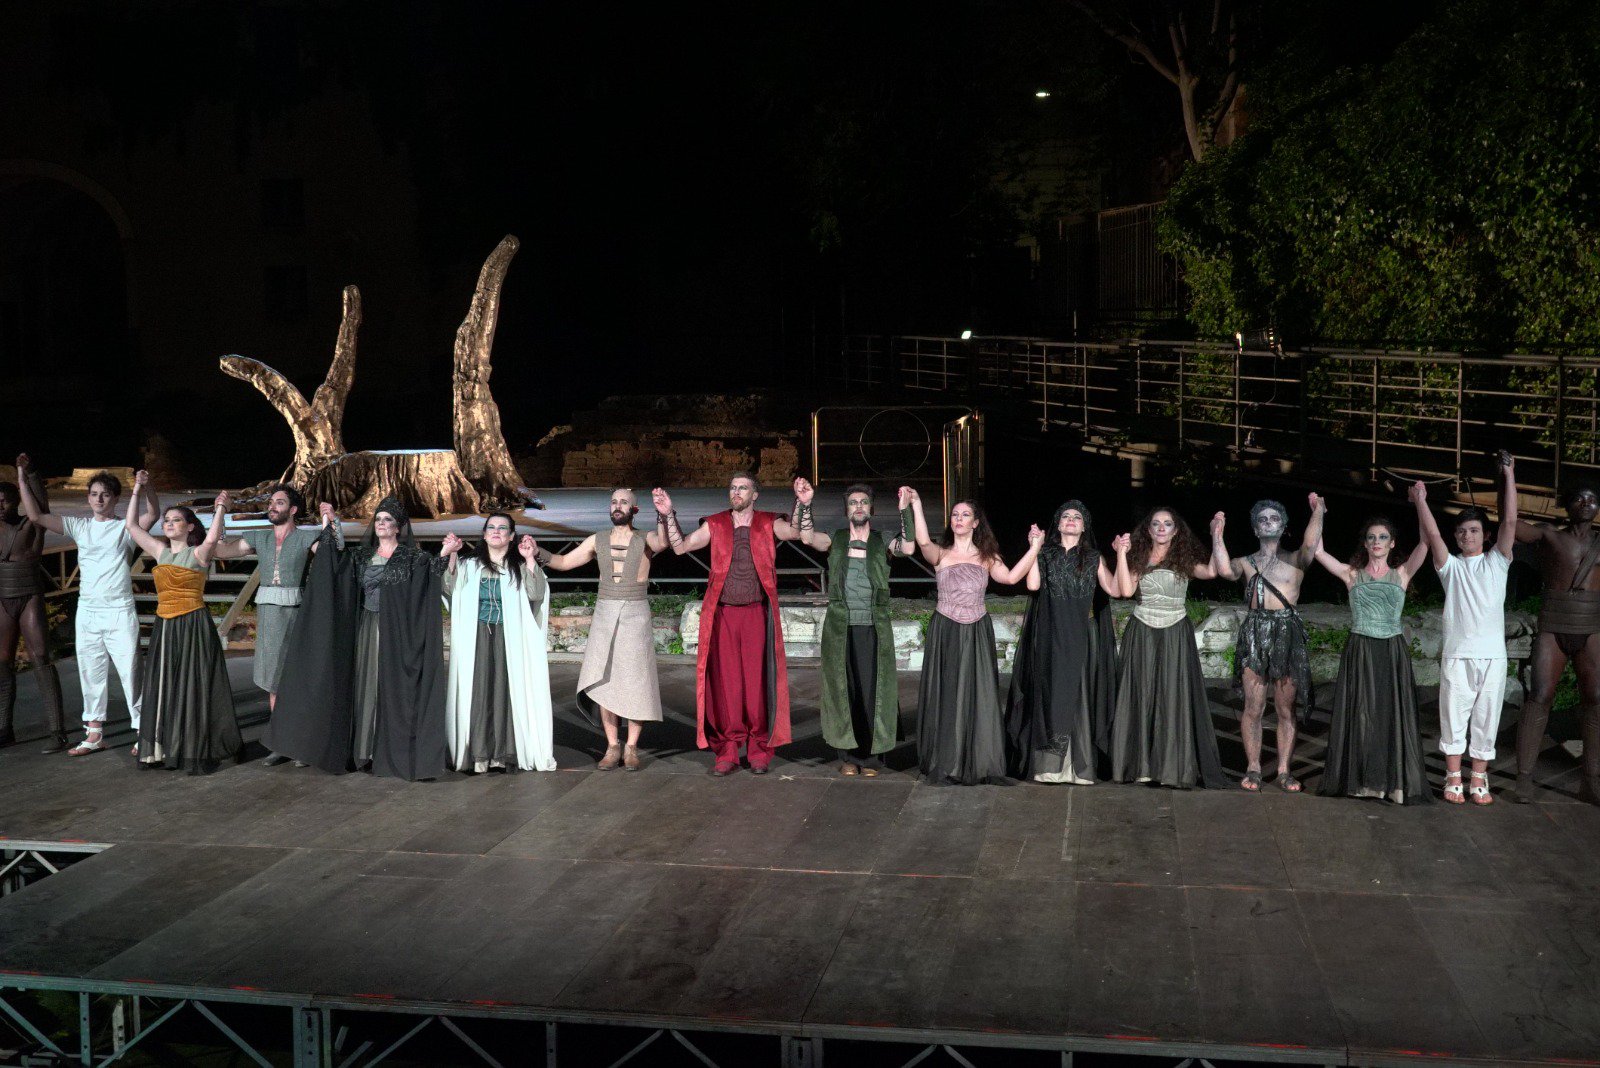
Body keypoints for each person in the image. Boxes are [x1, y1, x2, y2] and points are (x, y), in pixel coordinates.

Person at [265, 496, 449, 780]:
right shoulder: (362, 557)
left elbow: (429, 580)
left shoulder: (413, 558)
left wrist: (446, 553)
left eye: (388, 520)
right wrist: (330, 523)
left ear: (398, 527)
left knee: (390, 687)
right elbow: (335, 562)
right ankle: (364, 750)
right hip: (365, 628)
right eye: (378, 519)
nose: (381, 524)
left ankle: (391, 750)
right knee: (365, 685)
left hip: (396, 634)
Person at [652, 474, 803, 776]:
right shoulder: (716, 523)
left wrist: (802, 502)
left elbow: (796, 533)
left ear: (754, 494)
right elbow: (681, 547)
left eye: (742, 488)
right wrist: (668, 514)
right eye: (733, 488)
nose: (736, 492)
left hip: (756, 614)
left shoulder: (768, 522)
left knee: (757, 686)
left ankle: (759, 748)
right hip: (724, 615)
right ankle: (728, 750)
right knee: (728, 685)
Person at [15, 454, 156, 756]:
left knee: (131, 671)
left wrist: (145, 487)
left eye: (105, 494)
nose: (99, 499)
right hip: (89, 611)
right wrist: (21, 478)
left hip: (119, 609)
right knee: (91, 671)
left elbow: (153, 513)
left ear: (115, 498)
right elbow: (36, 516)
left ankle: (144, 730)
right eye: (94, 494)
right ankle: (94, 733)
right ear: (88, 497)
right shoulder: (80, 526)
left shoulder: (126, 527)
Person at [904, 488, 1042, 784]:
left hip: (977, 628)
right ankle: (947, 760)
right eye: (955, 514)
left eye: (965, 515)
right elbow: (923, 541)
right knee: (948, 691)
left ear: (976, 523)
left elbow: (1011, 578)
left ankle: (977, 759)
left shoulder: (987, 557)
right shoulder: (941, 553)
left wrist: (1034, 549)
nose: (958, 519)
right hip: (946, 629)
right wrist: (916, 504)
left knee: (977, 692)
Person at [1411, 453, 1517, 805]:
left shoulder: (1497, 562)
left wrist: (1509, 474)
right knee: (1453, 717)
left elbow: (1510, 521)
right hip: (1458, 655)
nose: (1466, 535)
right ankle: (1453, 776)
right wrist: (1421, 500)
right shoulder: (1450, 568)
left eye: (1473, 531)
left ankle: (1479, 777)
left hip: (1492, 657)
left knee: (1487, 717)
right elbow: (1432, 534)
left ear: (1485, 535)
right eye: (1461, 531)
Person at [208, 484, 341, 767]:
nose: (272, 506)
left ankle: (303, 742)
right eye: (271, 502)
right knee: (273, 680)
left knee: (298, 676)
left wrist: (330, 522)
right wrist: (220, 511)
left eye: (279, 502)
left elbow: (333, 554)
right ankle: (282, 742)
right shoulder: (261, 537)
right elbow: (220, 550)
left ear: (292, 510)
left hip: (297, 613)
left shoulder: (305, 537)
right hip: (269, 613)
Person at [540, 488, 667, 771]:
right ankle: (612, 746)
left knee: (636, 680)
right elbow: (564, 562)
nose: (617, 506)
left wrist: (663, 514)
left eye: (624, 502)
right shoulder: (597, 540)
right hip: (605, 611)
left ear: (634, 510)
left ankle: (631, 747)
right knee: (604, 679)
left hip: (635, 613)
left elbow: (663, 542)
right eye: (614, 502)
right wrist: (536, 551)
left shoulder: (644, 538)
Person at [122, 472, 241, 772]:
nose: (169, 523)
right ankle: (162, 748)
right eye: (167, 520)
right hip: (165, 626)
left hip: (192, 624)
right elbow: (132, 526)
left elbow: (212, 538)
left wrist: (220, 508)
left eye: (176, 520)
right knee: (165, 685)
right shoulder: (160, 552)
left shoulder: (198, 553)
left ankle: (190, 747)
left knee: (192, 685)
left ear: (189, 527)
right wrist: (137, 489)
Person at [1312, 513, 1432, 803]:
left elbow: (1426, 543)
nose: (1376, 541)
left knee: (1390, 714)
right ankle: (1361, 782)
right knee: (1361, 714)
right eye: (1371, 537)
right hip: (1361, 649)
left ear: (1392, 544)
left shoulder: (1401, 574)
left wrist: (1419, 502)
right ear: (1365, 544)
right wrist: (1318, 511)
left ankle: (1392, 784)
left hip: (1391, 651)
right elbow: (1317, 550)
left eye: (1383, 537)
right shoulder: (1352, 575)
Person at [794, 480, 912, 776]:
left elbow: (909, 548)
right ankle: (847, 757)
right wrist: (805, 504)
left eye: (863, 502)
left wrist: (905, 510)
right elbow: (807, 537)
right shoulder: (836, 538)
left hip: (873, 627)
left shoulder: (882, 540)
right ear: (846, 510)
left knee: (873, 692)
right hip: (840, 627)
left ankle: (872, 759)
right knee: (843, 691)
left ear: (871, 508)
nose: (858, 507)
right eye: (853, 503)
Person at [1109, 507, 1230, 789]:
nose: (1161, 528)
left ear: (1176, 531)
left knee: (1173, 696)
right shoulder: (1139, 558)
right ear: (1148, 530)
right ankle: (1140, 767)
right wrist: (1121, 554)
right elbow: (1125, 591)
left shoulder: (1183, 559)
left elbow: (1213, 571)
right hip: (1142, 630)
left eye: (1167, 524)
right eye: (1156, 524)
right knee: (1141, 693)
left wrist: (1217, 535)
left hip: (1175, 630)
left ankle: (1172, 768)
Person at [1211, 495, 1325, 792]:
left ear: (1284, 526)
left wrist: (1318, 511)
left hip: (1287, 631)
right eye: (1263, 519)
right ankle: (1253, 768)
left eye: (1274, 518)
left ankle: (1285, 770)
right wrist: (1217, 534)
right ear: (1255, 529)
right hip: (1255, 631)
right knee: (1254, 706)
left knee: (1286, 708)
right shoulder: (1246, 562)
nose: (1269, 523)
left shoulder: (1296, 560)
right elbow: (1224, 571)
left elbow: (1311, 544)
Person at [1004, 499, 1119, 784]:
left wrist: (1123, 554)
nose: (1070, 520)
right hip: (1051, 631)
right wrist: (1034, 547)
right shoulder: (1046, 554)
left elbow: (1115, 589)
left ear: (1084, 526)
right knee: (1051, 693)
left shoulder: (1093, 557)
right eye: (1065, 516)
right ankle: (1049, 768)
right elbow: (1032, 584)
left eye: (1077, 517)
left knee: (1079, 694)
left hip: (1080, 633)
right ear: (1057, 524)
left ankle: (1078, 767)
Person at [438, 516, 556, 773]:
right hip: (477, 637)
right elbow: (448, 589)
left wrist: (530, 559)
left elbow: (536, 594)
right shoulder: (470, 566)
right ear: (483, 534)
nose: (496, 531)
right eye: (491, 527)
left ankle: (503, 753)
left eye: (503, 528)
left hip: (509, 638)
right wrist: (452, 555)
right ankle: (479, 754)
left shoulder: (518, 567)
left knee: (506, 692)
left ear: (511, 536)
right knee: (478, 692)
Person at [1512, 481, 1600, 805]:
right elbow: (1511, 525)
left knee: (1596, 698)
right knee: (1540, 695)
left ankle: (1591, 781)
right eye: (1579, 498)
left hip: (1591, 626)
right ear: (1567, 505)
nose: (1586, 503)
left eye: (1592, 499)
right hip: (1554, 625)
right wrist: (1507, 479)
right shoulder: (1551, 536)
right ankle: (1524, 778)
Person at [0, 463, 66, 751]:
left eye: (5, 501)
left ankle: (57, 730)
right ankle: (4, 728)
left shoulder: (31, 524)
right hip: (2, 598)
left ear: (16, 501)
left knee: (40, 658)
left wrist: (29, 475)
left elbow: (41, 504)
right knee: (2, 663)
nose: (0, 506)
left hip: (29, 597)